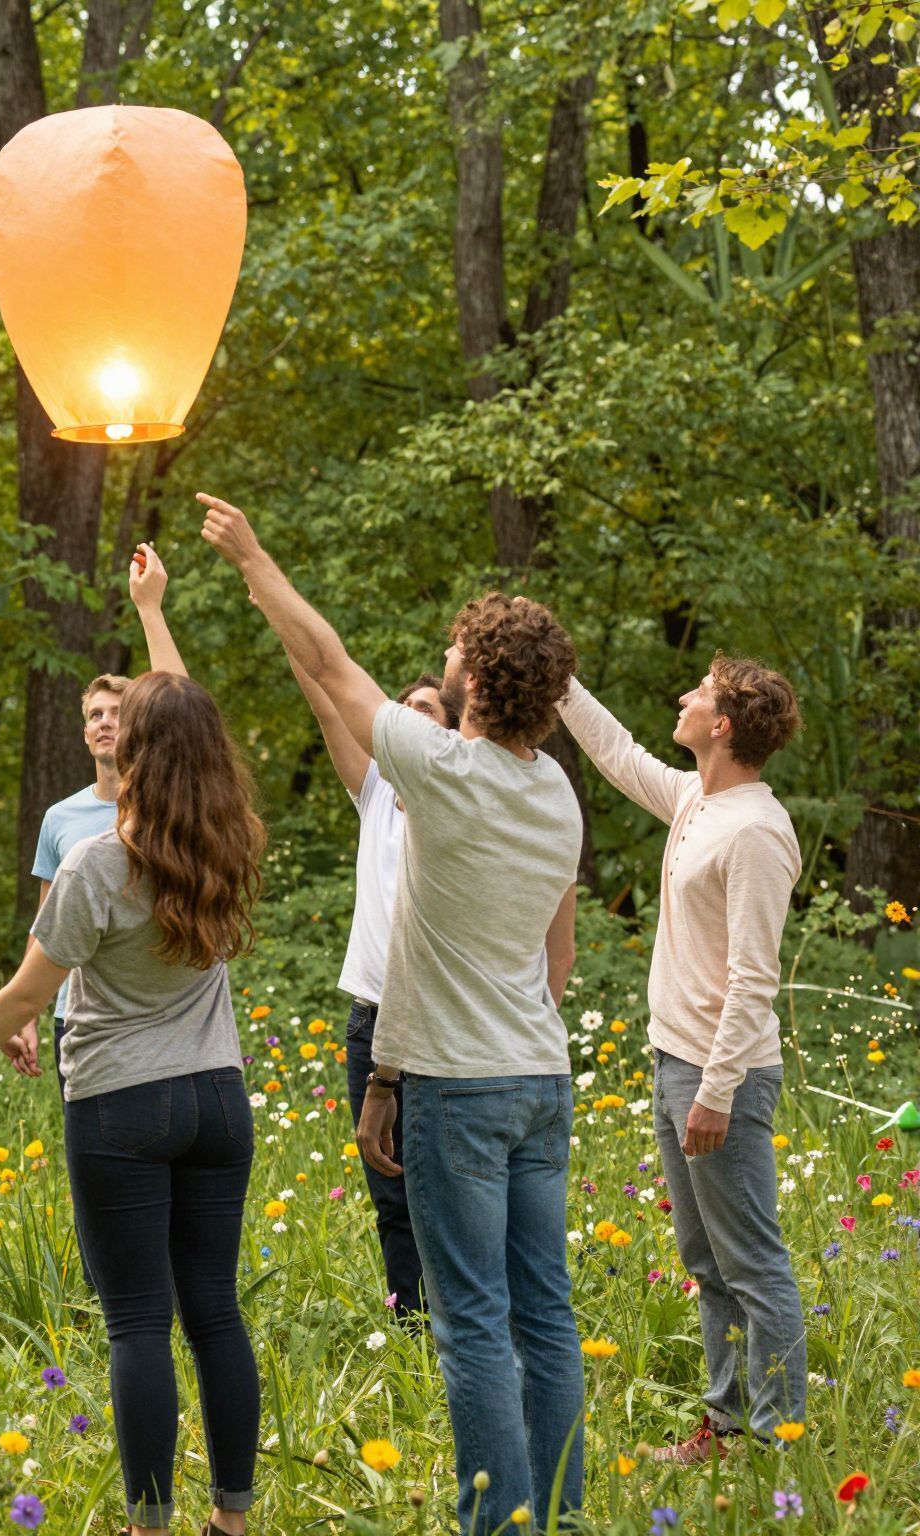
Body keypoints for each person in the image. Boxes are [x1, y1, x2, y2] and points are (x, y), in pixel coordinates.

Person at [200, 493, 584, 1534]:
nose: (443, 659)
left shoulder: (443, 770)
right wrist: (381, 1076)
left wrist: (253, 553)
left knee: (468, 1326)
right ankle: (553, 1515)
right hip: (537, 1081)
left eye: (454, 650)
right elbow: (549, 953)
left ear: (471, 679)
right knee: (543, 1314)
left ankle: (498, 1522)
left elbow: (324, 665)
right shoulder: (553, 790)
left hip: (457, 1092)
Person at [0, 670, 267, 1536]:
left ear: (132, 752)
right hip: (218, 1099)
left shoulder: (99, 861)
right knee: (215, 1310)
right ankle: (234, 1521)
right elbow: (181, 702)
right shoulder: (233, 838)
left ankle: (148, 1526)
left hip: (120, 1106)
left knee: (138, 1320)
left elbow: (25, 999)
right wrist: (153, 610)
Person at [558, 658, 805, 1460]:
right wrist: (557, 682)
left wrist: (718, 1091)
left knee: (754, 1266)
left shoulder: (758, 831)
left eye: (698, 693)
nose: (684, 699)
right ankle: (726, 1426)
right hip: (676, 1064)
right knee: (706, 1264)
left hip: (719, 1078)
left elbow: (754, 978)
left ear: (724, 724)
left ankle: (776, 1443)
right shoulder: (699, 801)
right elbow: (619, 754)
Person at [286, 658, 456, 1323]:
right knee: (390, 1190)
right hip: (373, 1020)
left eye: (426, 708)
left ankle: (458, 1327)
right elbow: (331, 707)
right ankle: (410, 1327)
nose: (409, 714)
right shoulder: (377, 787)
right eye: (402, 706)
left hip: (440, 1022)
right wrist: (292, 638)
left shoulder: (461, 800)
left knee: (443, 1189)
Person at [30, 544, 190, 1083]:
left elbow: (184, 716)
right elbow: (45, 921)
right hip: (76, 1012)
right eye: (94, 715)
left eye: (118, 714)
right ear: (83, 733)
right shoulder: (59, 818)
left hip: (161, 1007)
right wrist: (28, 1011)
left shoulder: (169, 805)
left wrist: (150, 608)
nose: (104, 723)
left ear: (140, 727)